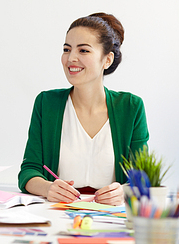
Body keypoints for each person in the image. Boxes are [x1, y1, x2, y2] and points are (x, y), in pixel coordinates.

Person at [18, 13, 149, 206]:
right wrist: (48, 188)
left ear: (107, 60)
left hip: (111, 216)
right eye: (66, 49)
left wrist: (125, 192)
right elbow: (29, 171)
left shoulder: (131, 107)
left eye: (84, 51)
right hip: (57, 212)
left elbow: (144, 177)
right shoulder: (47, 103)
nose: (71, 58)